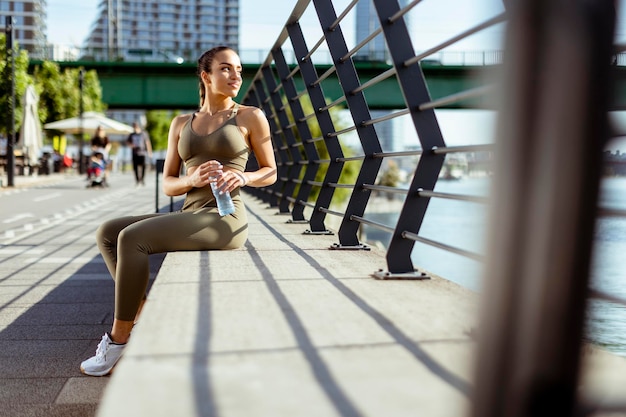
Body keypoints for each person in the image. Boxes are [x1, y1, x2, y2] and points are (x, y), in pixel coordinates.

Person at [80, 46, 277, 376]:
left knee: (132, 238)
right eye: (226, 69)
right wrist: (192, 178)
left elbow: (270, 171)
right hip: (192, 210)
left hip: (224, 219)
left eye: (239, 70)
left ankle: (118, 341)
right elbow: (169, 183)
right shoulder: (181, 123)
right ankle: (140, 310)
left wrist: (243, 175)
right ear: (206, 76)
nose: (236, 76)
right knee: (108, 232)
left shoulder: (249, 116)